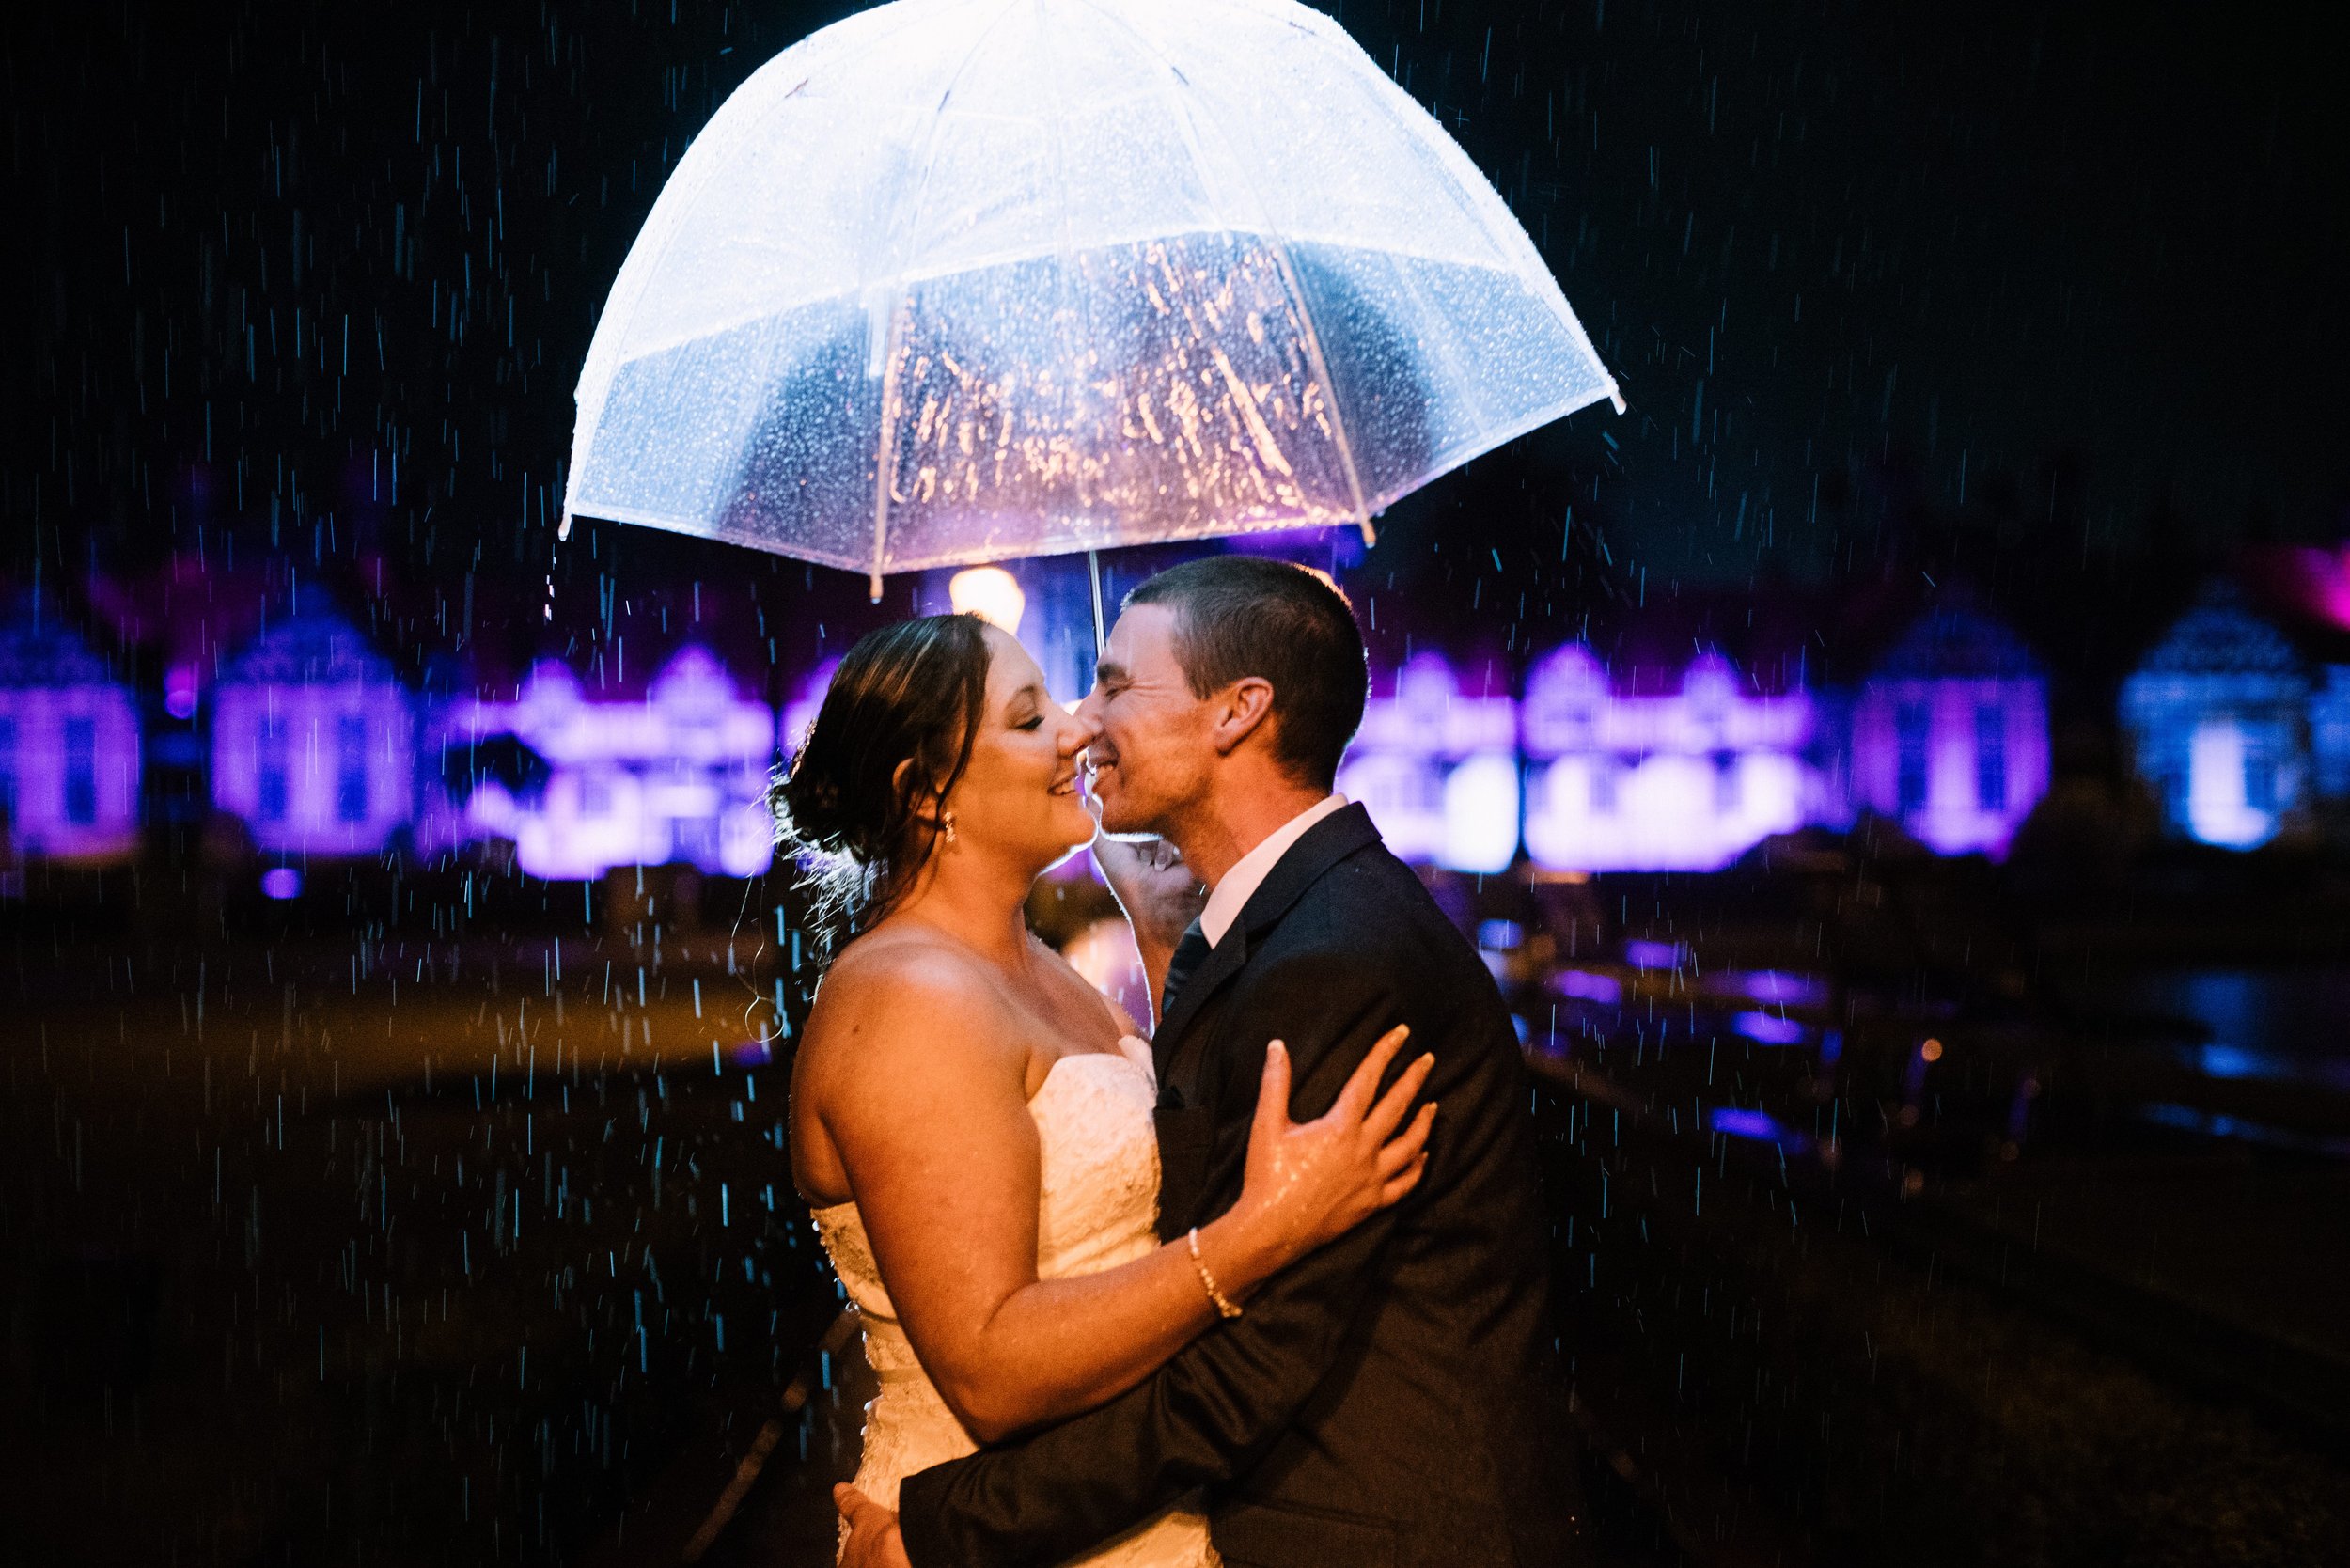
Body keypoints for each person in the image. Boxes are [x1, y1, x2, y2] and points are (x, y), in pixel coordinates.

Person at [838, 556, 1586, 1568]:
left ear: (1237, 713)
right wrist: (1164, 941)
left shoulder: (1333, 959)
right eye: (1040, 712)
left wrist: (944, 1529)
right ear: (926, 792)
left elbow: (1250, 1363)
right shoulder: (1301, 928)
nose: (1082, 725)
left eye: (1111, 686)